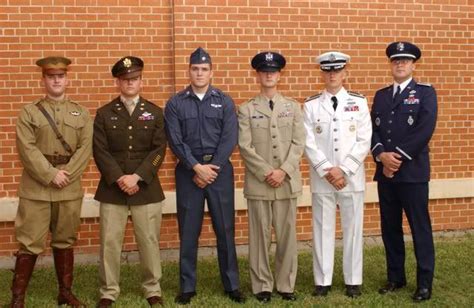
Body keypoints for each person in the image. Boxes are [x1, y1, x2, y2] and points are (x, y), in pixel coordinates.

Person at [164, 47, 244, 305]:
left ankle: (232, 285)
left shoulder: (224, 100)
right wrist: (196, 167)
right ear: (189, 70)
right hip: (189, 174)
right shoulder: (176, 103)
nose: (199, 73)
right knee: (188, 231)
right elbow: (175, 140)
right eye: (195, 69)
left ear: (211, 72)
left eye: (204, 69)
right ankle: (187, 286)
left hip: (219, 172)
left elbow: (229, 137)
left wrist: (212, 168)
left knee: (225, 229)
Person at [11, 56, 92, 307]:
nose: (56, 80)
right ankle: (18, 298)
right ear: (43, 79)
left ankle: (65, 292)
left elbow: (85, 147)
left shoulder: (81, 112)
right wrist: (50, 174)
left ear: (67, 79)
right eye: (51, 76)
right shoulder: (29, 112)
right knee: (29, 242)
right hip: (36, 188)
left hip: (68, 187)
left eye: (60, 76)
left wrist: (66, 173)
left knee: (65, 240)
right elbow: (27, 149)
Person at [93, 56, 167, 307]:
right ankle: (108, 291)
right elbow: (100, 151)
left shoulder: (155, 112)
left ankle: (152, 288)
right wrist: (119, 178)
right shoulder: (104, 114)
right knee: (109, 243)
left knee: (148, 241)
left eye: (134, 79)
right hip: (112, 189)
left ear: (141, 81)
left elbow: (159, 150)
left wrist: (137, 176)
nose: (130, 83)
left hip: (145, 187)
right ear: (118, 82)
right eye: (125, 80)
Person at [372, 41, 437, 302]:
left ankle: (424, 283)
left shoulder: (425, 93)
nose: (399, 64)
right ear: (391, 64)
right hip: (385, 175)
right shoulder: (381, 95)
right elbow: (372, 129)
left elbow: (424, 128)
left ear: (413, 64)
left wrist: (395, 158)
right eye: (395, 60)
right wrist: (380, 155)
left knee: (419, 227)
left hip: (412, 173)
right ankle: (395, 277)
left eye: (405, 60)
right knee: (390, 227)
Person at [238, 51, 305, 303]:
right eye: (264, 71)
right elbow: (245, 146)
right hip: (259, 183)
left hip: (287, 182)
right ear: (257, 75)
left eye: (273, 71)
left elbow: (299, 143)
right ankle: (262, 285)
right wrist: (268, 172)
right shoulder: (246, 109)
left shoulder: (293, 107)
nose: (269, 74)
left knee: (287, 235)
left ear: (279, 74)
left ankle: (286, 284)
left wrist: (283, 171)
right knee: (259, 236)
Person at [303, 51, 372, 298]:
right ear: (322, 73)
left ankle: (353, 280)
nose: (332, 75)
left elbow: (364, 139)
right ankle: (323, 280)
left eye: (337, 70)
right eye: (327, 70)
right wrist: (326, 169)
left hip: (351, 178)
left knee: (353, 229)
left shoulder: (359, 102)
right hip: (322, 179)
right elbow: (307, 142)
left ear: (345, 73)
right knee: (322, 228)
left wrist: (343, 169)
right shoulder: (310, 105)